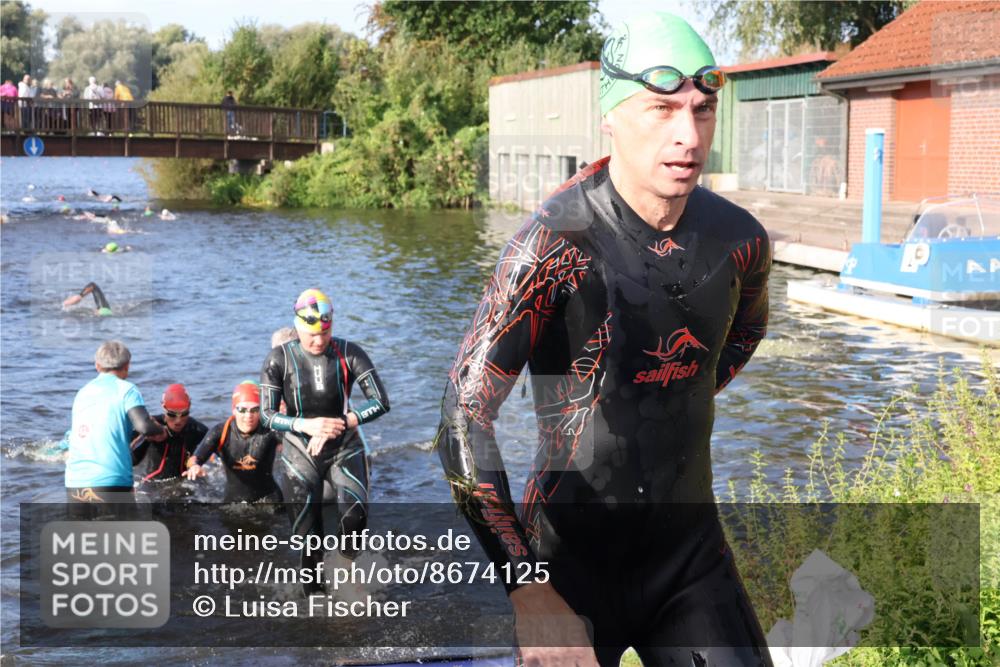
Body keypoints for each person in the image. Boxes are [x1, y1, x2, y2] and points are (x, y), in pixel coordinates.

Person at [435, 12, 772, 667]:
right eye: (662, 109)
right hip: (568, 563)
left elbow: (745, 335)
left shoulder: (741, 241)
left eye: (703, 111)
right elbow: (462, 415)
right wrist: (527, 589)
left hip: (689, 558)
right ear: (610, 119)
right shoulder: (550, 247)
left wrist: (664, 386)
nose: (687, 133)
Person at [260, 288, 390, 595]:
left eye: (325, 332)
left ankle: (344, 564)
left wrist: (342, 422)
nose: (319, 341)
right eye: (311, 334)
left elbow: (381, 401)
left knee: (356, 515)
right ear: (298, 326)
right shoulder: (279, 358)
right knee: (309, 540)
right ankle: (316, 612)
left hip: (343, 444)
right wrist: (308, 425)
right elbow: (266, 416)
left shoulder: (349, 352)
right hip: (299, 450)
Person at [65, 341, 166, 503]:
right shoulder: (127, 390)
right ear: (127, 366)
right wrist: (161, 432)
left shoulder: (82, 393)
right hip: (111, 481)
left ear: (97, 365)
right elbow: (144, 426)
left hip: (75, 482)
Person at [184, 381, 281, 503]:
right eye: (242, 409)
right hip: (233, 502)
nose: (248, 415)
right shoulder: (221, 431)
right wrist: (194, 466)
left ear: (261, 411)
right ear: (234, 409)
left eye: (254, 409)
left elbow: (296, 441)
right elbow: (195, 458)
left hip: (269, 500)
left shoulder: (270, 431)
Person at [131, 383, 208, 483]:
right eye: (172, 414)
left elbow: (218, 448)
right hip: (153, 483)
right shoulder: (152, 426)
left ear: (189, 408)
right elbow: (131, 460)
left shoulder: (196, 429)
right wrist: (145, 436)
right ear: (163, 407)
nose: (178, 421)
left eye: (184, 414)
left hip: (185, 481)